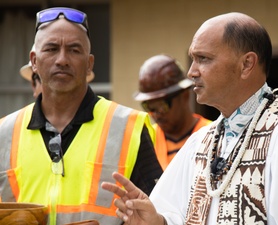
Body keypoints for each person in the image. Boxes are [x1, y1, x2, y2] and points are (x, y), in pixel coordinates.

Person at [101, 12, 278, 225]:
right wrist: (156, 222)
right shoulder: (200, 144)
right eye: (193, 59)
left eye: (203, 59)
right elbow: (173, 214)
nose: (191, 72)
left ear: (247, 64)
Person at [0, 7, 162, 225]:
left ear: (89, 64)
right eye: (51, 49)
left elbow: (155, 213)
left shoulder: (128, 127)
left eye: (75, 50)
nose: (62, 59)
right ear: (34, 61)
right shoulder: (4, 133)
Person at [133, 54, 211, 170]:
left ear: (184, 96)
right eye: (149, 107)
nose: (155, 115)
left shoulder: (211, 134)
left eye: (161, 106)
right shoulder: (146, 139)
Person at [20, 44, 95, 98]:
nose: (62, 60)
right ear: (34, 85)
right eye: (44, 78)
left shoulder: (105, 115)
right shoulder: (17, 119)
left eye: (67, 78)